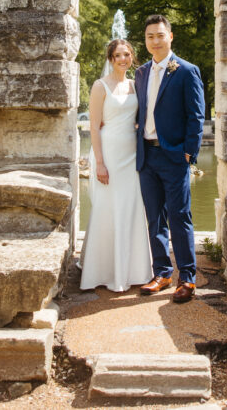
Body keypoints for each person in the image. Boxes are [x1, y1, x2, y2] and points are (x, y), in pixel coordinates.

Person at [135, 15, 206, 303]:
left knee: (179, 217)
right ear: (146, 40)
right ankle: (162, 273)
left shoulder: (186, 71)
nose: (155, 40)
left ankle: (187, 278)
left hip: (174, 155)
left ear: (170, 36)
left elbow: (196, 116)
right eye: (150, 36)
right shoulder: (140, 73)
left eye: (160, 35)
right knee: (154, 218)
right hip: (146, 155)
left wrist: (188, 153)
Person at [79, 39, 153, 292]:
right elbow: (95, 128)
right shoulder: (100, 87)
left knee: (131, 208)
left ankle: (133, 270)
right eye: (118, 55)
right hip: (109, 153)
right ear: (110, 58)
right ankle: (102, 271)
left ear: (132, 57)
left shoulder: (136, 85)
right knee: (107, 208)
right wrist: (99, 163)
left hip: (132, 154)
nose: (123, 59)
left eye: (127, 55)